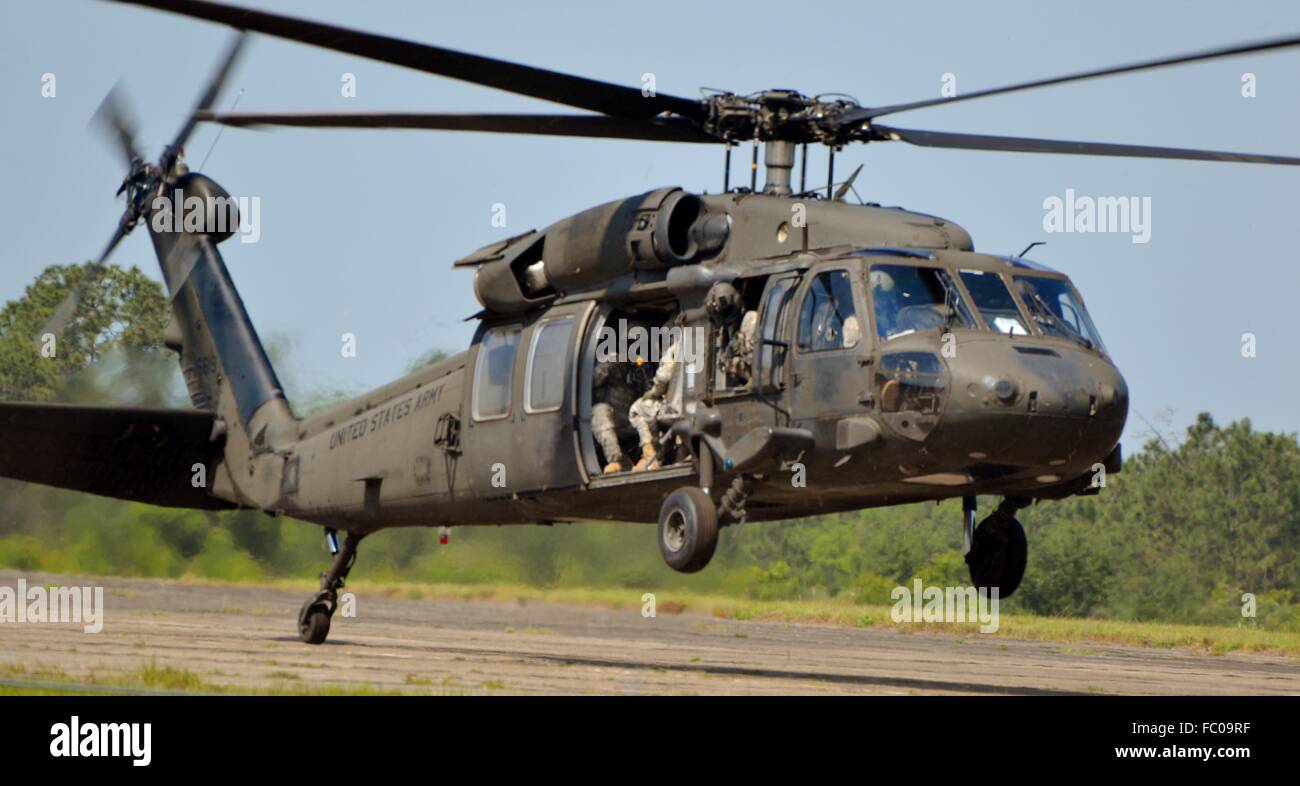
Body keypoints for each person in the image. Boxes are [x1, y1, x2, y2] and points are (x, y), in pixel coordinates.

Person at [628, 323, 683, 472]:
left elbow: (663, 378)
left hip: (675, 407)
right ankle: (673, 453)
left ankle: (650, 457)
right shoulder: (698, 346)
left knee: (636, 409)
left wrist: (653, 393)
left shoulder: (674, 350)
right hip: (693, 405)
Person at [591, 355, 639, 474]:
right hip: (616, 418)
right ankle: (615, 461)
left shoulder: (642, 366)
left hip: (635, 417)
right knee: (599, 411)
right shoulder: (611, 361)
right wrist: (610, 363)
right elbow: (591, 380)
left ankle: (650, 457)